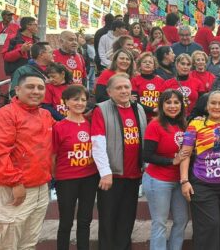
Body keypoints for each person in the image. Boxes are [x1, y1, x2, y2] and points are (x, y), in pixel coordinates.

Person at [91, 73, 147, 250]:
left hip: (133, 174)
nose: (124, 91)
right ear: (109, 92)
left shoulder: (138, 108)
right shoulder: (101, 109)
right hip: (112, 176)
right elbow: (98, 143)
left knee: (127, 219)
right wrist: (105, 172)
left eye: (126, 87)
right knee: (108, 220)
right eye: (119, 88)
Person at [0, 73, 54, 249]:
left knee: (30, 241)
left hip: (41, 188)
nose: (36, 91)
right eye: (30, 87)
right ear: (17, 90)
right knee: (9, 240)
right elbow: (0, 151)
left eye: (40, 88)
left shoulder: (45, 114)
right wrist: (15, 182)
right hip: (15, 187)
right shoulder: (6, 114)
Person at [180, 91, 220, 250]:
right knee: (209, 226)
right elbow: (185, 154)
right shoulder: (196, 124)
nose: (217, 107)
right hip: (203, 184)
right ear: (206, 106)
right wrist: (184, 180)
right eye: (213, 103)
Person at [141, 89, 189, 250]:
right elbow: (147, 155)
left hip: (178, 180)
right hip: (158, 181)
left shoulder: (184, 124)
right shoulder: (155, 124)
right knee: (160, 222)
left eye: (176, 102)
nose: (173, 106)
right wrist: (172, 161)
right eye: (168, 102)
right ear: (161, 105)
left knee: (181, 220)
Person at [52, 85, 98, 250]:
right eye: (75, 99)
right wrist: (55, 178)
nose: (80, 103)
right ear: (65, 102)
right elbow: (53, 156)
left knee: (85, 220)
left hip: (90, 178)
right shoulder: (59, 126)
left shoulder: (91, 123)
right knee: (66, 222)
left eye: (83, 100)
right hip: (67, 180)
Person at [131, 52, 165, 121]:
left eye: (150, 62)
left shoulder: (161, 80)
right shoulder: (134, 80)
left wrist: (159, 109)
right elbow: (134, 101)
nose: (147, 63)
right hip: (141, 116)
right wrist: (152, 110)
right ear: (139, 65)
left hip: (158, 117)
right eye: (144, 62)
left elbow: (163, 99)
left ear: (154, 66)